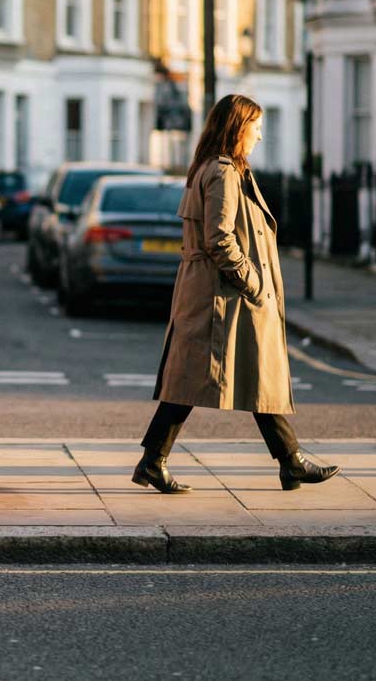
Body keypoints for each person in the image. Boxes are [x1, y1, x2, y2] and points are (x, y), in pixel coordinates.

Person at [134, 94, 338, 494]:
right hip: (223, 295)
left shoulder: (213, 168)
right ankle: (288, 461)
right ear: (238, 127)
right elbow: (219, 237)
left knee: (234, 377)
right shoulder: (223, 172)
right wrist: (252, 281)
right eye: (256, 126)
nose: (260, 136)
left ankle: (287, 460)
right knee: (225, 376)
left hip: (214, 292)